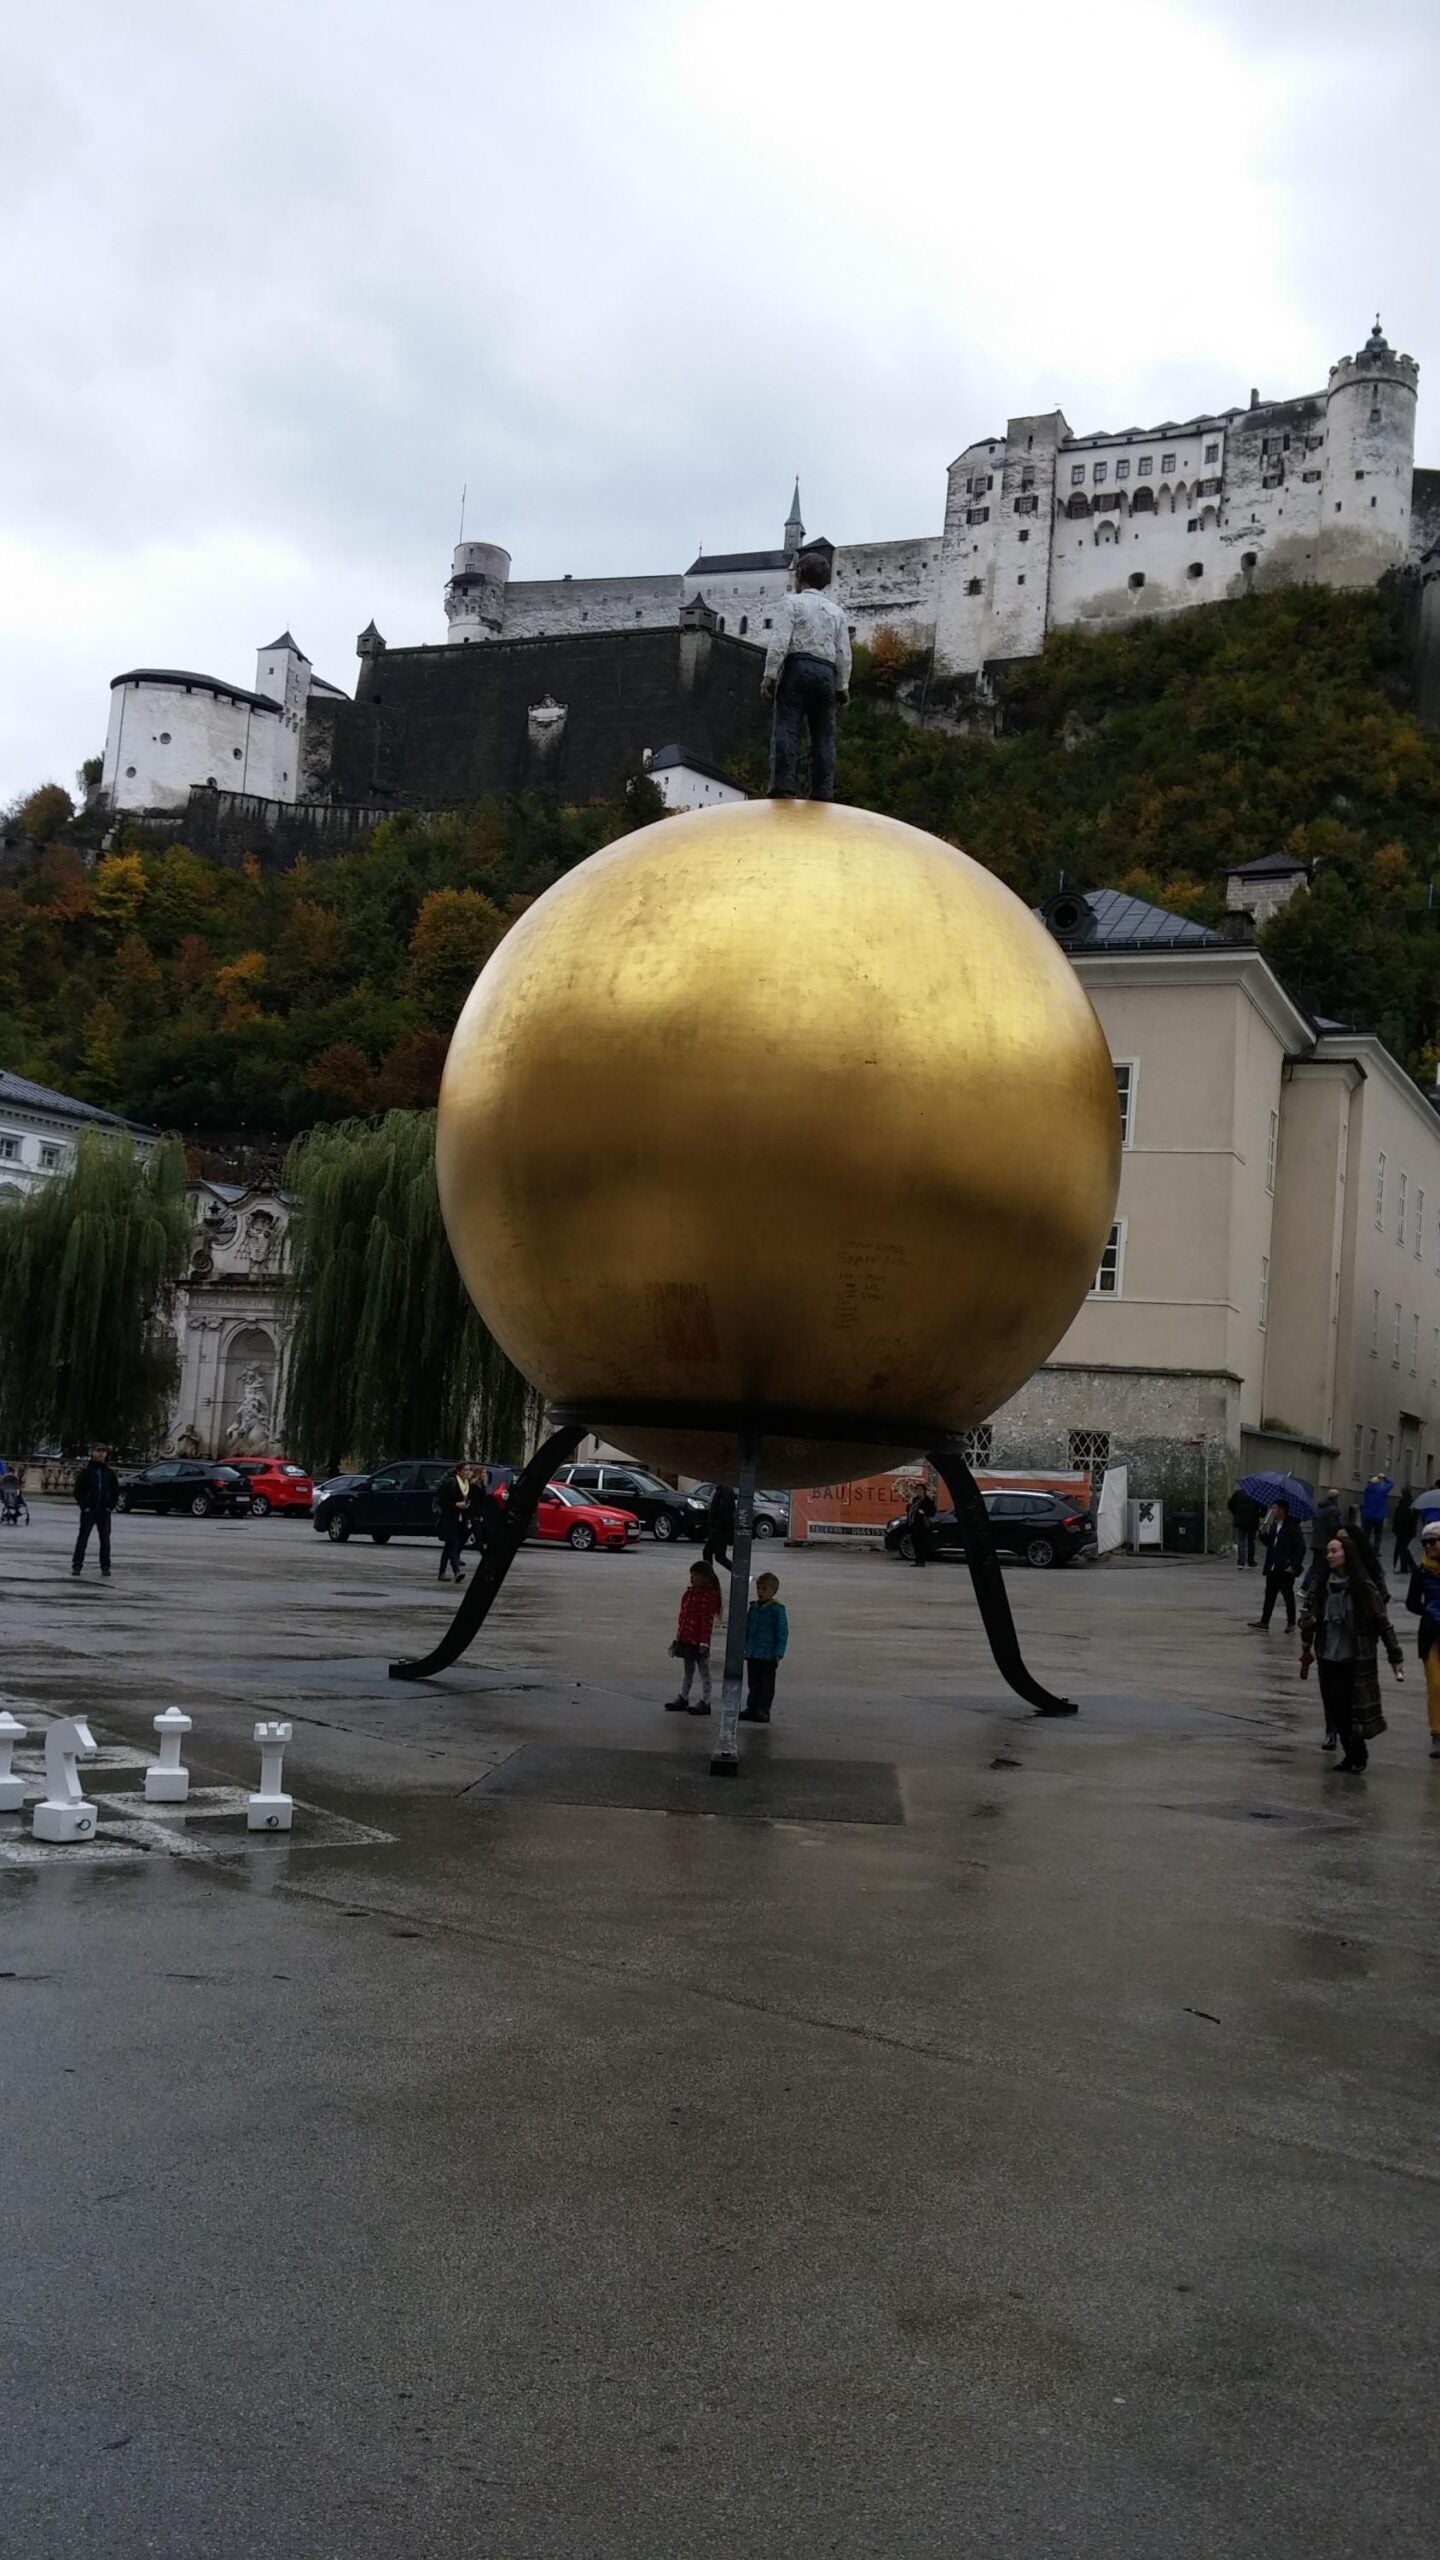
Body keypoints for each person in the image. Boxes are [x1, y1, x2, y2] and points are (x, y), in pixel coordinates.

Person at [1299, 1530, 1404, 1771]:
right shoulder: (1323, 1586)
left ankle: (1358, 1754)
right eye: (1328, 1551)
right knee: (1333, 1708)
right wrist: (1308, 1629)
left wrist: (1395, 1655)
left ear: (1348, 1554)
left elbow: (1382, 1621)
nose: (1329, 1556)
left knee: (1346, 1706)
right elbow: (1308, 1616)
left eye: (1334, 1551)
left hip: (1353, 1656)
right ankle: (1351, 1754)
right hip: (1328, 1653)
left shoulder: (1363, 1586)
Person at [762, 550, 852, 802]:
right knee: (824, 735)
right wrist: (842, 685)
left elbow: (780, 641)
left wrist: (769, 674)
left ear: (800, 575)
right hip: (826, 671)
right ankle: (822, 790)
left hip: (797, 668)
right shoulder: (837, 613)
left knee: (786, 728)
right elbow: (844, 653)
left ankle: (783, 785)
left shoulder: (792, 603)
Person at [664, 1560, 724, 1717]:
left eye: (695, 1576)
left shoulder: (707, 1597)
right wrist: (679, 1637)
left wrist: (704, 1642)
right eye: (691, 1575)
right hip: (687, 1640)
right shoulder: (690, 1594)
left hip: (698, 1642)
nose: (692, 1578)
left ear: (705, 1578)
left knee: (704, 1672)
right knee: (688, 1671)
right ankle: (683, 1697)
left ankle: (706, 1701)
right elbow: (683, 1617)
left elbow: (706, 1621)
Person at [1403, 1519, 1440, 1760]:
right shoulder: (1421, 1571)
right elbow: (1411, 1602)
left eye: (1432, 1541)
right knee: (1436, 1685)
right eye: (1424, 1542)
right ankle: (1437, 1734)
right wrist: (1427, 1611)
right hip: (1431, 1635)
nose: (1428, 1546)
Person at [1248, 1497, 1306, 1630]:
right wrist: (1263, 1535)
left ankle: (1291, 1622)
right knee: (1269, 1595)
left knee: (1287, 1595)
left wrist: (1293, 1564)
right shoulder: (1275, 1525)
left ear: (1282, 1511)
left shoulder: (1292, 1527)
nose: (1272, 1511)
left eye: (1275, 1508)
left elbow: (1300, 1548)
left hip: (1285, 1568)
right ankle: (1264, 1621)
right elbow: (1271, 1544)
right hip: (1273, 1566)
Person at [740, 1570, 789, 1723]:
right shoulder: (753, 1607)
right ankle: (752, 1707)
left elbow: (782, 1632)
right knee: (753, 1683)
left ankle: (763, 1710)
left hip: (768, 1654)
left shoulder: (777, 1609)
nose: (760, 1592)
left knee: (766, 1685)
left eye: (764, 1589)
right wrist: (744, 1646)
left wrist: (779, 1652)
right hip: (753, 1653)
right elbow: (747, 1628)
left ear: (773, 1591)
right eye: (758, 1588)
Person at [71, 1445, 119, 1579]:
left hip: (104, 1511)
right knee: (83, 1538)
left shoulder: (109, 1473)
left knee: (105, 1540)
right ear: (93, 1453)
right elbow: (78, 1491)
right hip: (90, 1510)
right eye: (98, 1451)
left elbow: (115, 1491)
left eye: (103, 1452)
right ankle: (77, 1565)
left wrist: (110, 1506)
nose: (101, 1454)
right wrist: (84, 1506)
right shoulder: (86, 1472)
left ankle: (105, 1566)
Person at [433, 1464, 469, 1584]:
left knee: (448, 1547)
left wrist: (466, 1505)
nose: (468, 1472)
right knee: (453, 1544)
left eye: (469, 1470)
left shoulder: (466, 1485)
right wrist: (455, 1504)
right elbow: (442, 1500)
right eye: (465, 1470)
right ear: (458, 1471)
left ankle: (441, 1573)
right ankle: (457, 1572)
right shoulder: (451, 1483)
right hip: (449, 1519)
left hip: (460, 1519)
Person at [703, 1482, 735, 1576]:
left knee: (708, 1552)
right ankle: (739, 1572)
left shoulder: (725, 1489)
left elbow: (726, 1509)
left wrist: (717, 1524)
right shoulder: (720, 1489)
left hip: (720, 1529)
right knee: (719, 1557)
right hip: (720, 1528)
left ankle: (708, 1577)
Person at [1227, 1484, 1262, 1570]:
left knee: (1241, 1541)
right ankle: (1251, 1561)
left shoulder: (1238, 1493)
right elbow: (1263, 1508)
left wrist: (1236, 1513)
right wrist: (1259, 1515)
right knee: (1251, 1541)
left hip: (1240, 1521)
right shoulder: (1256, 1495)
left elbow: (1230, 1504)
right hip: (1252, 1521)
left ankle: (1241, 1562)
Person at [905, 1484, 938, 1567]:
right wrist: (909, 1504)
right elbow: (909, 1510)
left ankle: (921, 1561)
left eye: (920, 1489)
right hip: (914, 1524)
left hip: (922, 1525)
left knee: (922, 1544)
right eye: (917, 1489)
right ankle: (917, 1560)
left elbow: (933, 1511)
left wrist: (924, 1512)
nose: (919, 1491)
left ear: (924, 1490)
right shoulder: (915, 1499)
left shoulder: (927, 1500)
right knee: (915, 1543)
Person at [1360, 1472, 1393, 1543]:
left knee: (1366, 1534)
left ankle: (1365, 1548)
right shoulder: (1382, 1490)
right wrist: (1384, 1477)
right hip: (1378, 1516)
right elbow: (1390, 1483)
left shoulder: (1367, 1490)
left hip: (1367, 1515)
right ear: (1378, 1483)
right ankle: (1376, 1550)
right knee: (1378, 1534)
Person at [1392, 1484, 1418, 1575]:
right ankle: (1406, 1567)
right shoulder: (1409, 1504)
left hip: (1404, 1531)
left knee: (1402, 1548)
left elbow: (1400, 1518)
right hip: (1406, 1531)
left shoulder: (1406, 1504)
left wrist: (1395, 1529)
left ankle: (1409, 1566)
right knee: (1403, 1548)